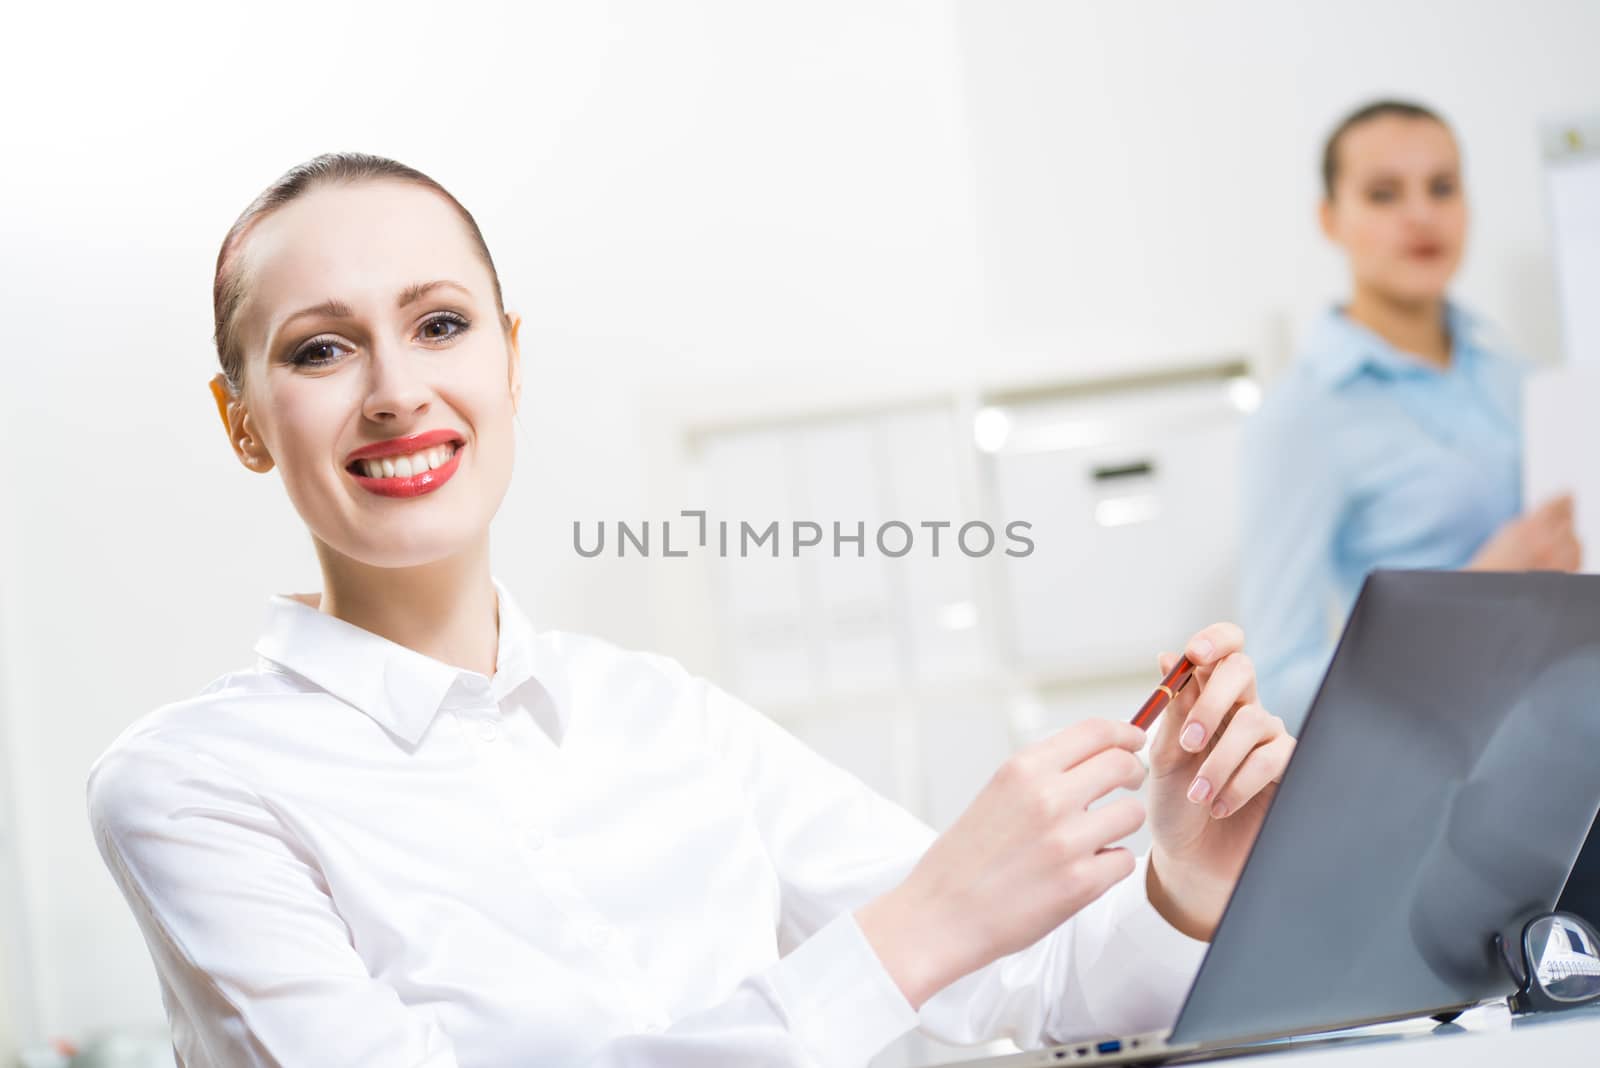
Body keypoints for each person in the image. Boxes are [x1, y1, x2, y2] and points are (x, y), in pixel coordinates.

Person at [86, 153, 1294, 1067]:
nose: (399, 391)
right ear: (241, 417)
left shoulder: (665, 716)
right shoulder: (193, 786)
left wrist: (1184, 879)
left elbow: (1044, 992)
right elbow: (933, 943)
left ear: (507, 359)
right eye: (319, 351)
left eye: (440, 324)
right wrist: (912, 932)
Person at [1241, 99, 1582, 734]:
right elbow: (1277, 684)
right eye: (1383, 194)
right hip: (1464, 774)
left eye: (1442, 187)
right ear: (1330, 219)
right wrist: (1480, 589)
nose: (1421, 214)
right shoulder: (1303, 417)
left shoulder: (1516, 374)